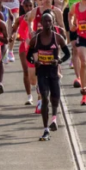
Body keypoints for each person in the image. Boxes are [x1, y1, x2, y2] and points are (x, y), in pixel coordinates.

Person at [26, 11, 71, 141]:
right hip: (42, 72)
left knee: (55, 97)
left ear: (53, 23)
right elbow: (28, 56)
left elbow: (67, 54)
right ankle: (46, 128)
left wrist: (59, 61)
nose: (47, 23)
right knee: (45, 98)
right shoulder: (36, 39)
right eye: (45, 21)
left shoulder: (58, 38)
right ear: (40, 23)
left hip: (53, 72)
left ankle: (54, 118)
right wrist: (35, 61)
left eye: (49, 21)